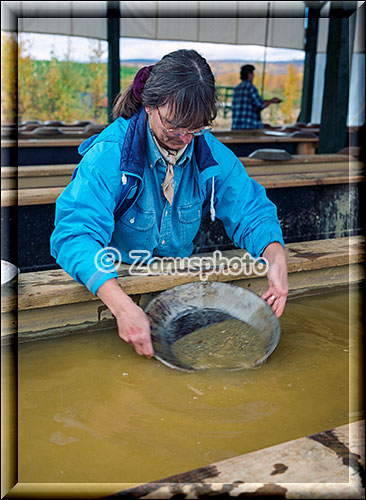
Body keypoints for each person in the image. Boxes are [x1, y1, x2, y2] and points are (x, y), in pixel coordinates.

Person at [50, 49, 288, 358]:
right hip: (112, 290)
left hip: (175, 289)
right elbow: (74, 236)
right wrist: (122, 306)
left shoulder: (207, 153)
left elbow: (250, 208)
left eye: (196, 128)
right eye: (174, 126)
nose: (185, 138)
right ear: (149, 105)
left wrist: (275, 255)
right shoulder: (109, 155)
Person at [231, 64, 282, 130]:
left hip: (236, 129)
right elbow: (260, 105)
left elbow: (251, 103)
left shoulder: (236, 89)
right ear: (249, 74)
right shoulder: (251, 88)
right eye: (253, 74)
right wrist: (272, 101)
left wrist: (268, 101)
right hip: (249, 129)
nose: (254, 76)